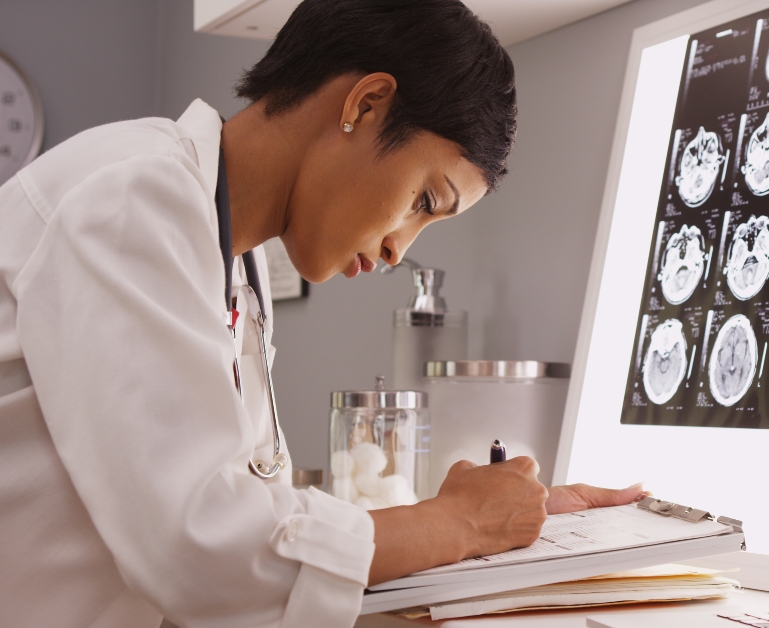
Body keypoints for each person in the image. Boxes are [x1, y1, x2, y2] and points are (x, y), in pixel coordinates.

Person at [0, 1, 643, 626]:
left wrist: (506, 521)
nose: (398, 249)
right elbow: (201, 552)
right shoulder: (132, 197)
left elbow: (253, 529)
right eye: (424, 198)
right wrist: (462, 522)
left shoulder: (233, 264)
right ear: (364, 104)